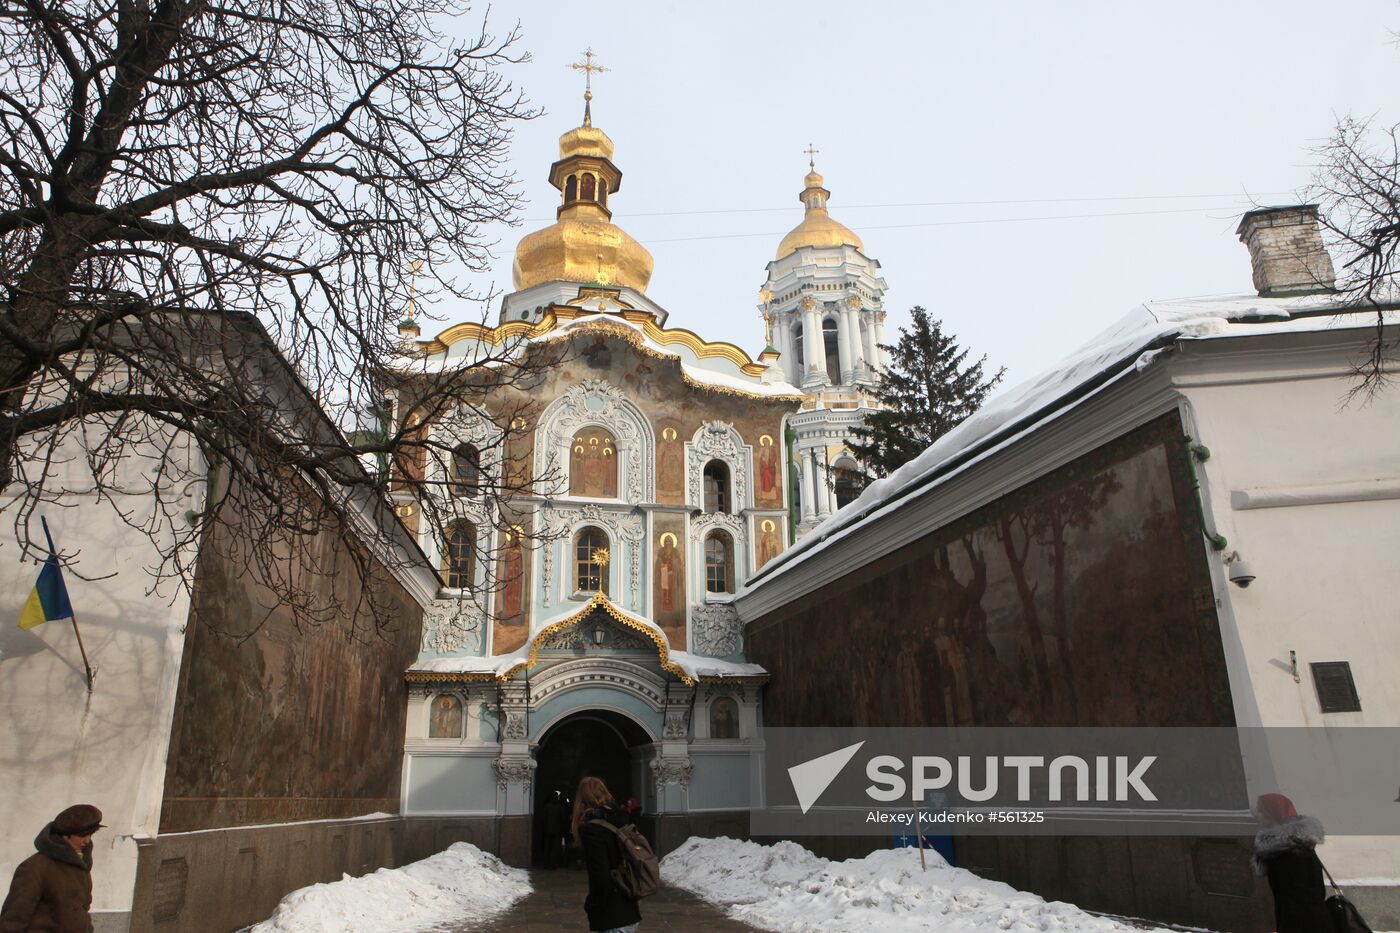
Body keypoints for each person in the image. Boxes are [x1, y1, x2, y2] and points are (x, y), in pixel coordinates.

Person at [0, 803, 104, 933]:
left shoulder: (81, 865)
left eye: (90, 835)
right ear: (65, 836)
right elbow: (14, 917)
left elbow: (83, 909)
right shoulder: (35, 867)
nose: (87, 841)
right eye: (82, 836)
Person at [1252, 792, 1331, 933]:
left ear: (1274, 813)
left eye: (1261, 812)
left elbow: (1299, 895)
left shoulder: (1288, 850)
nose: (1257, 816)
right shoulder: (1296, 844)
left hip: (1302, 922)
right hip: (1304, 919)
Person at [571, 776, 642, 933]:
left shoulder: (593, 830)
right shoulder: (621, 819)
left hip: (612, 915)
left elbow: (601, 877)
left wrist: (591, 905)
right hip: (629, 909)